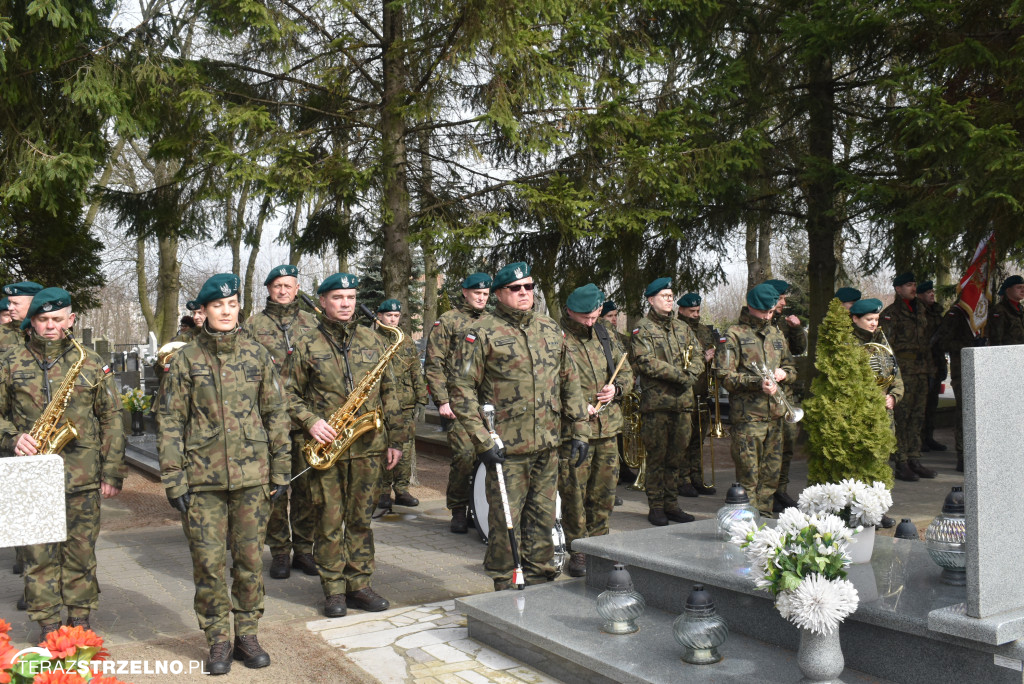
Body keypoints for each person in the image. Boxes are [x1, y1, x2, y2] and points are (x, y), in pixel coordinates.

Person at [158, 274, 291, 674]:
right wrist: (173, 478)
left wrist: (281, 471)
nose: (227, 311)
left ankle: (247, 634)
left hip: (253, 478)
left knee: (250, 559)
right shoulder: (185, 360)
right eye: (218, 306)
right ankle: (218, 638)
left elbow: (276, 415)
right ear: (202, 312)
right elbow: (169, 422)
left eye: (232, 304)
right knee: (209, 562)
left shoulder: (257, 355)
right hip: (202, 481)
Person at [448, 262, 590, 590]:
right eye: (516, 288)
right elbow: (462, 389)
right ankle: (504, 584)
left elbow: (570, 382)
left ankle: (541, 580)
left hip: (547, 445)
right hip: (505, 449)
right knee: (503, 521)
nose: (524, 292)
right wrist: (482, 439)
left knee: (542, 520)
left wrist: (580, 428)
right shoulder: (482, 331)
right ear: (499, 293)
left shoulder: (550, 329)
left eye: (528, 286)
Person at [0, 287, 126, 641]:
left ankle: (81, 623)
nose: (51, 326)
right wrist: (12, 437)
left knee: (81, 554)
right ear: (31, 322)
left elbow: (113, 418)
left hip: (82, 476)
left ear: (71, 320)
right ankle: (48, 627)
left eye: (58, 319)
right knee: (37, 557)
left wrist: (112, 470)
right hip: (30, 474)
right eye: (43, 319)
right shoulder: (9, 361)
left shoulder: (89, 361)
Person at [284, 272, 408, 616]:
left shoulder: (375, 340)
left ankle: (360, 585)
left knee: (361, 520)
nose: (345, 303)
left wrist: (396, 438)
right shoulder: (306, 344)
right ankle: (334, 590)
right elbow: (287, 394)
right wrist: (311, 422)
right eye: (338, 297)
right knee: (328, 519)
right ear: (322, 301)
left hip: (369, 445)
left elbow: (389, 393)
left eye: (351, 297)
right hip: (329, 448)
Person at [242, 264, 320, 581]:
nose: (283, 291)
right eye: (277, 286)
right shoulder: (252, 325)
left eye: (288, 285)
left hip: (305, 422)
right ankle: (279, 553)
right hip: (269, 423)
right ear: (269, 290)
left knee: (306, 491)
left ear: (297, 288)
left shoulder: (313, 324)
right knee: (275, 492)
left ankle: (304, 550)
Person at [557, 284, 632, 577]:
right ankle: (578, 551)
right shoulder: (557, 338)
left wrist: (617, 388)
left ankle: (599, 548)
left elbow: (625, 370)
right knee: (575, 494)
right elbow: (547, 382)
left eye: (595, 315)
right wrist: (575, 406)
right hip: (576, 430)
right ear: (569, 311)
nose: (590, 322)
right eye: (583, 317)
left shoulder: (605, 333)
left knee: (604, 494)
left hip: (608, 427)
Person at [717, 283, 797, 517]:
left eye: (771, 312)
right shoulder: (734, 334)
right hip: (749, 418)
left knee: (771, 475)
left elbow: (791, 367)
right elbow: (725, 376)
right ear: (751, 307)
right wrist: (756, 383)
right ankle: (747, 523)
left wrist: (785, 374)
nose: (767, 316)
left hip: (776, 415)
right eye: (764, 312)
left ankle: (766, 518)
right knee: (749, 477)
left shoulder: (776, 333)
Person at [630, 277, 704, 526]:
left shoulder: (682, 327)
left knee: (676, 457)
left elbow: (698, 355)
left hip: (682, 403)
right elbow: (645, 362)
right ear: (651, 300)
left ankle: (672, 504)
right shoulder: (642, 328)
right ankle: (657, 506)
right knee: (657, 457)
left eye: (671, 295)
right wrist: (681, 376)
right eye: (664, 295)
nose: (670, 299)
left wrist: (691, 374)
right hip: (657, 405)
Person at [422, 272, 491, 534]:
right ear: (464, 292)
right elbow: (434, 363)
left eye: (485, 294)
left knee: (486, 457)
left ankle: (480, 508)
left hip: (487, 404)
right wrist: (441, 400)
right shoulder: (448, 321)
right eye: (477, 293)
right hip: (458, 403)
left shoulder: (493, 322)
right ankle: (459, 509)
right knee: (463, 456)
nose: (481, 298)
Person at [850, 298, 901, 527]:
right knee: (862, 464)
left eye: (876, 319)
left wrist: (893, 396)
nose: (873, 324)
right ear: (855, 319)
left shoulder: (882, 340)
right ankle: (861, 511)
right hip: (862, 414)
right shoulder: (848, 344)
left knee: (882, 464)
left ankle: (879, 510)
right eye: (869, 319)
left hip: (884, 414)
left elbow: (895, 374)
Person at [881, 272, 936, 481]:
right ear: (898, 289)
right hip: (903, 372)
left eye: (914, 284)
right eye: (908, 285)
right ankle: (901, 461)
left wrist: (930, 370)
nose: (913, 288)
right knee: (902, 418)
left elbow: (927, 342)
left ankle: (914, 457)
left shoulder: (921, 310)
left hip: (921, 370)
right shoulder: (891, 314)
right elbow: (886, 348)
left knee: (917, 416)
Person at [375, 298, 428, 508]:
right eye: (389, 315)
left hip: (405, 404)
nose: (393, 319)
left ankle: (402, 489)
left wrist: (421, 397)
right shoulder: (372, 338)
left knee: (405, 448)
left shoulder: (405, 340)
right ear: (379, 316)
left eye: (396, 316)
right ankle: (383, 492)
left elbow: (416, 370)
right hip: (381, 405)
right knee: (383, 447)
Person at [764, 279, 806, 511]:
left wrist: (797, 329)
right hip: (766, 396)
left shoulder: (783, 326)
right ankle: (767, 493)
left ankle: (781, 490)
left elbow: (798, 351)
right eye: (781, 298)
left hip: (786, 394)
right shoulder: (765, 323)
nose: (784, 303)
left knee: (787, 445)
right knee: (769, 449)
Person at [933, 298, 984, 472]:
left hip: (982, 370)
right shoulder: (956, 314)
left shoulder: (981, 315)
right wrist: (969, 345)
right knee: (964, 412)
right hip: (962, 371)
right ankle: (963, 455)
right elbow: (942, 342)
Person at [675, 292, 717, 497]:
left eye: (698, 311)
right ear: (680, 310)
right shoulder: (676, 330)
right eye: (691, 311)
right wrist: (703, 357)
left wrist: (713, 357)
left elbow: (712, 350)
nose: (695, 314)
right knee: (683, 438)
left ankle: (696, 477)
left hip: (702, 391)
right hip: (684, 392)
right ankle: (682, 480)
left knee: (698, 439)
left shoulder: (703, 331)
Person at [916, 280, 947, 453]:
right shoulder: (918, 311)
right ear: (920, 295)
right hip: (922, 364)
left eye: (932, 291)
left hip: (936, 361)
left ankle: (929, 437)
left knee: (932, 404)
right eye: (928, 292)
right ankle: (919, 439)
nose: (932, 294)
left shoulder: (936, 312)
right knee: (922, 404)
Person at [988, 275, 1024, 346]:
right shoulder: (999, 310)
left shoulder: (1021, 309)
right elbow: (996, 340)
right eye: (1019, 287)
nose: (1023, 290)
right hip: (1007, 354)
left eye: (1023, 287)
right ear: (1008, 290)